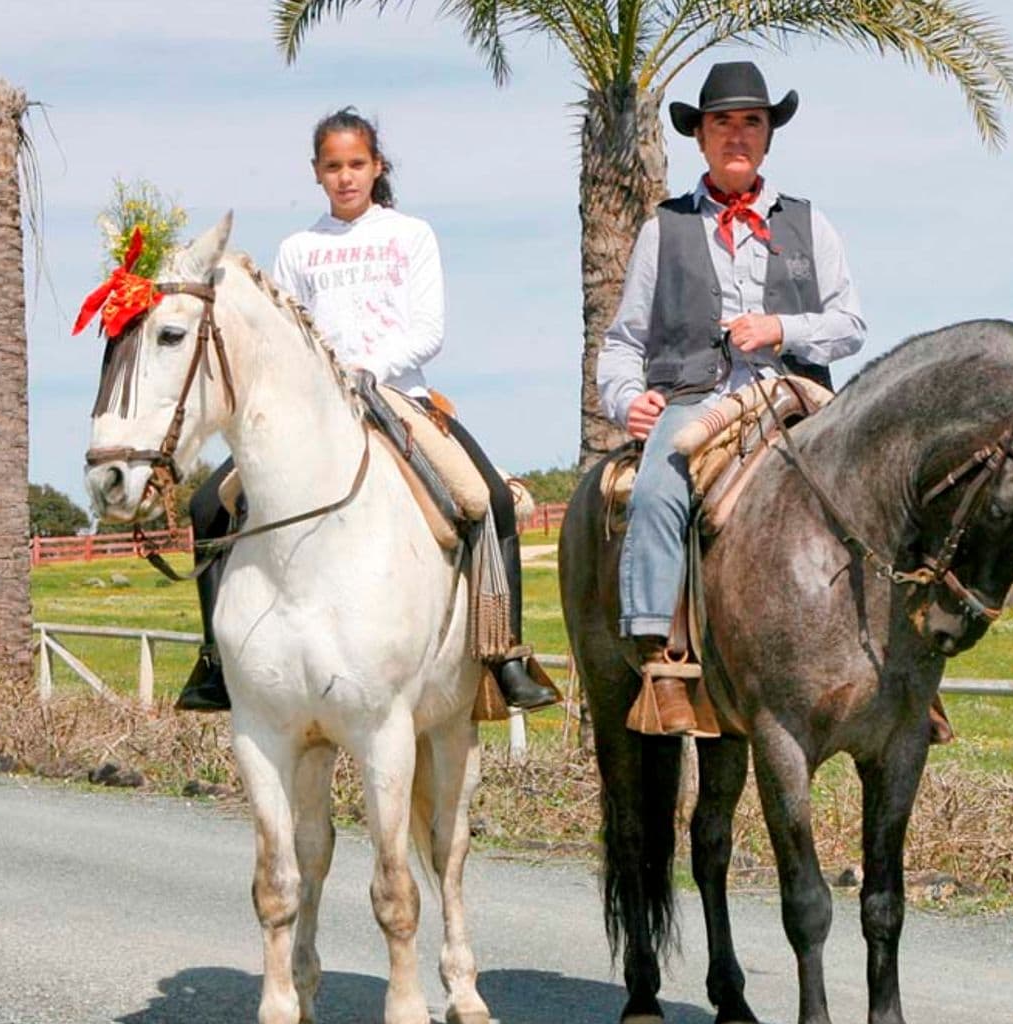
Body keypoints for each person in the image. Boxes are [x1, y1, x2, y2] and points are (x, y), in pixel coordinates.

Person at [177, 107, 557, 713]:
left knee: (489, 498)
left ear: (378, 167)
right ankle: (215, 661)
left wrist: (370, 371)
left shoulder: (410, 235)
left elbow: (429, 329)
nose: (346, 177)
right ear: (316, 173)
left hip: (400, 394)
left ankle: (503, 652)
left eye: (357, 164)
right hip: (318, 409)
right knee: (206, 504)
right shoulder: (300, 248)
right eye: (333, 166)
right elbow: (283, 336)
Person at [595, 62, 867, 733]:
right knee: (660, 483)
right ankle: (659, 653)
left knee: (874, 483)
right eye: (723, 122)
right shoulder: (665, 228)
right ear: (701, 138)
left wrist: (782, 327)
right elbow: (624, 339)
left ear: (769, 136)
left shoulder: (811, 225)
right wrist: (626, 396)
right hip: (699, 397)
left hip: (795, 394)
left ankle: (898, 665)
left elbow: (850, 325)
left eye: (752, 121)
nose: (737, 135)